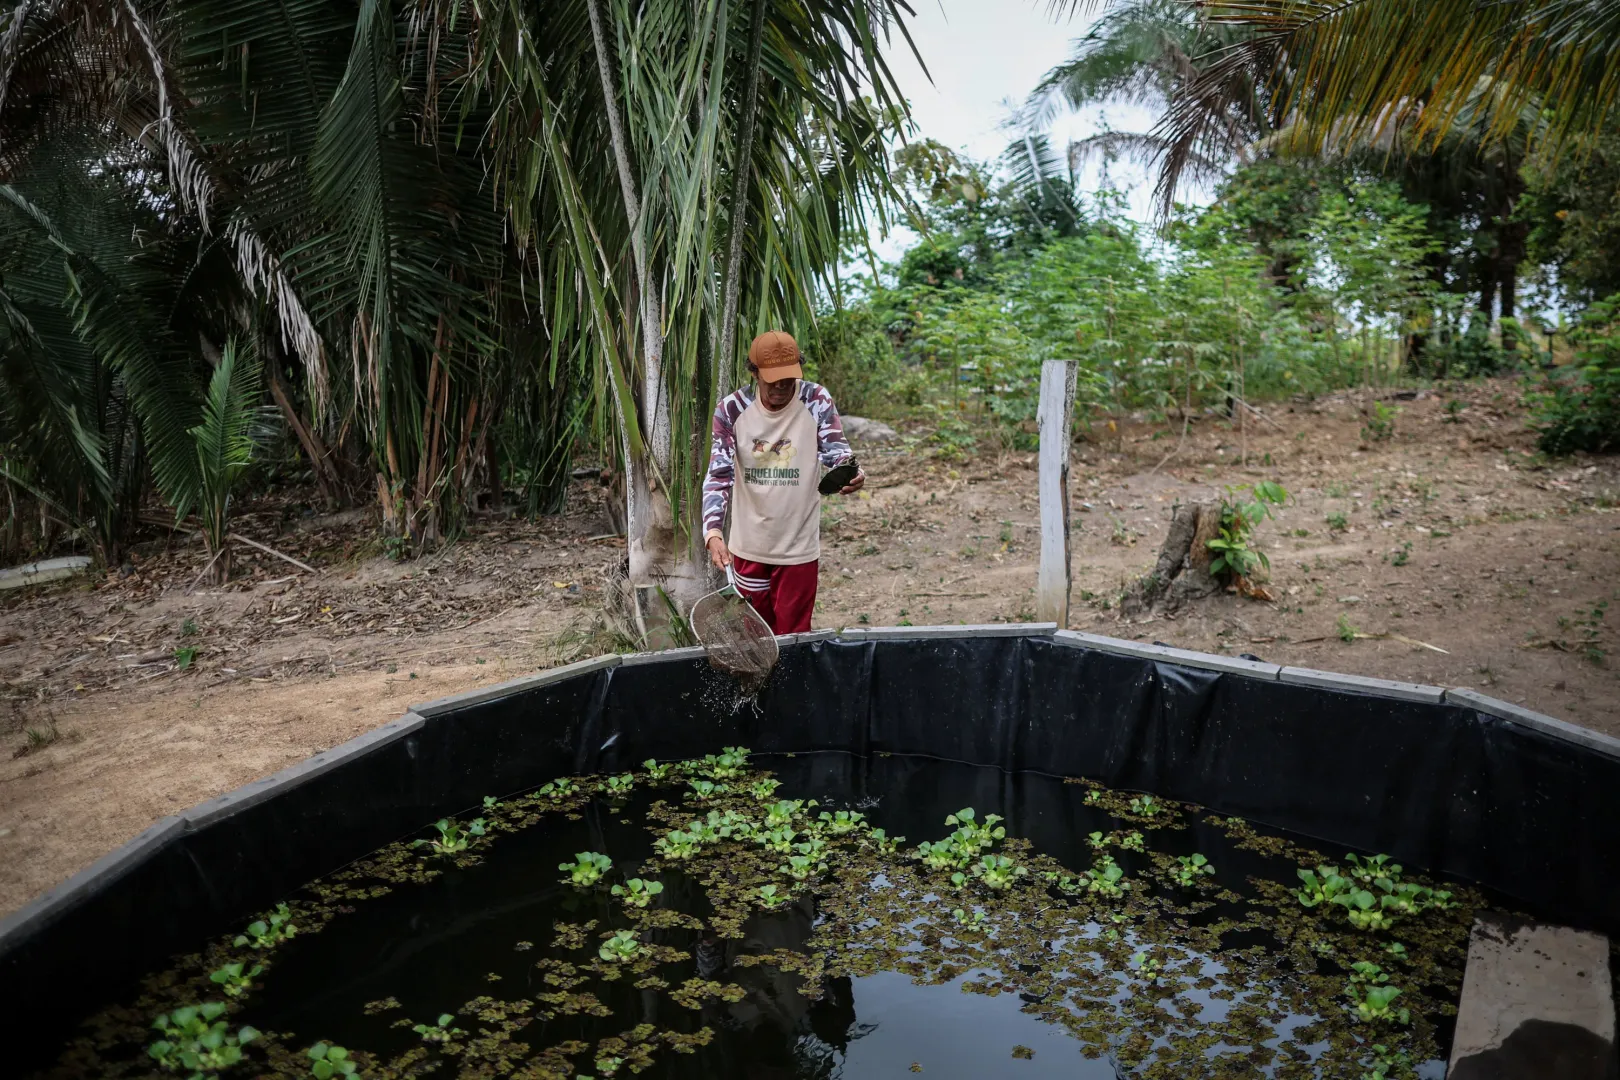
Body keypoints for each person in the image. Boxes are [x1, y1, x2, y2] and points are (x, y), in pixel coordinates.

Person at [702, 330, 864, 634]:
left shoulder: (815, 400)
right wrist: (712, 531)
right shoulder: (731, 410)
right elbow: (718, 474)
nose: (780, 387)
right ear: (754, 372)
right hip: (749, 545)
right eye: (771, 379)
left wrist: (852, 472)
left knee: (794, 637)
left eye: (787, 379)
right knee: (754, 635)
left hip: (798, 547)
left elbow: (838, 452)